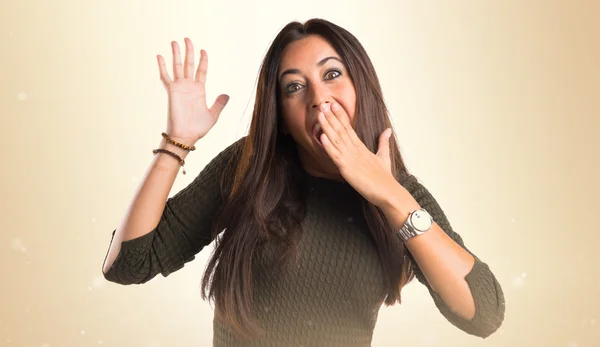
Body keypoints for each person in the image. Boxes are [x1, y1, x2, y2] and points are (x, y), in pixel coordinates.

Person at [102, 18, 505, 347]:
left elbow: (484, 314)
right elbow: (128, 264)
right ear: (282, 114)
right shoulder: (250, 167)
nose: (318, 98)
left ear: (360, 87)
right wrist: (177, 142)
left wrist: (389, 196)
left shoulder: (398, 192)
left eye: (332, 74)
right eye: (294, 86)